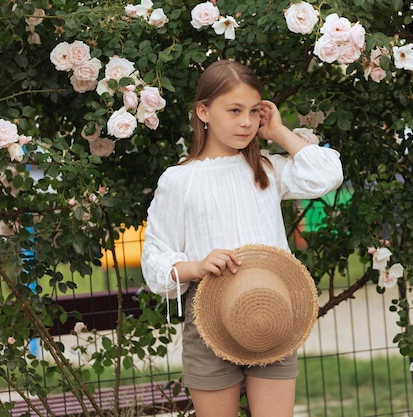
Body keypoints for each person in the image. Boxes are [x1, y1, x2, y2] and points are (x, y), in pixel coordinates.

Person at [140, 59, 343, 417]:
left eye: (254, 111)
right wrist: (197, 265)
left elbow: (327, 175)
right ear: (203, 111)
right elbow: (156, 259)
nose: (247, 122)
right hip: (209, 318)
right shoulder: (179, 180)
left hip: (272, 312)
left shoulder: (265, 168)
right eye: (234, 110)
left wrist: (279, 133)